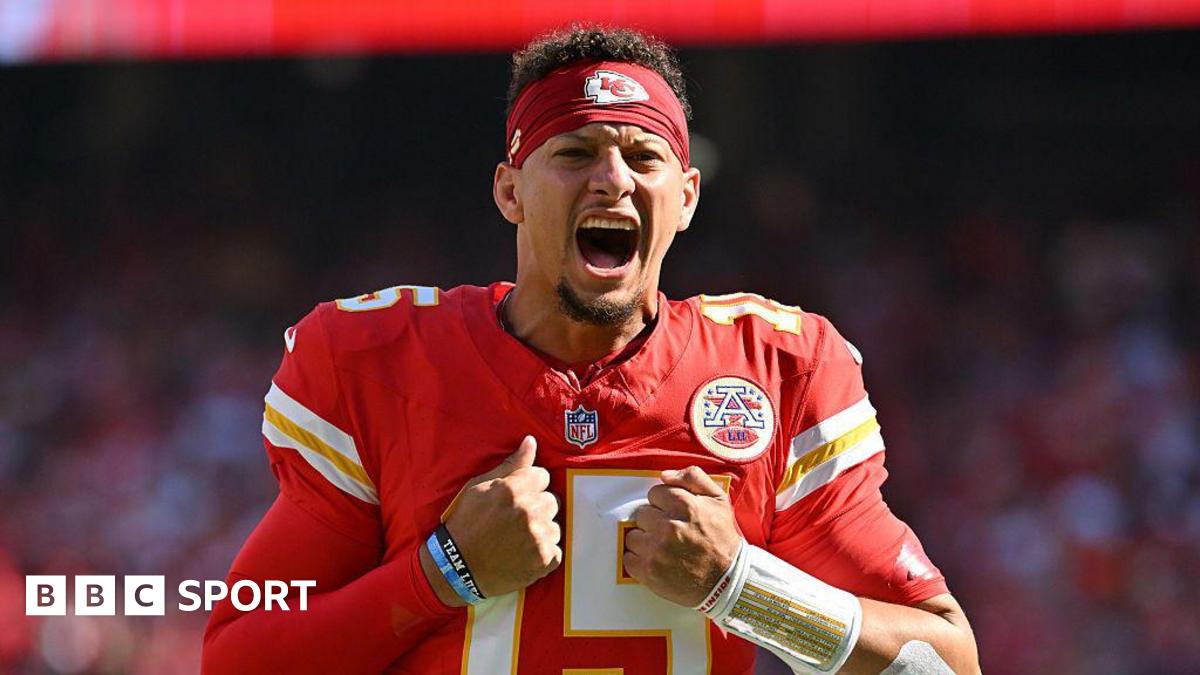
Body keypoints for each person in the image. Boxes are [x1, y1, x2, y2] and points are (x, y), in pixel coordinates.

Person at [202, 25, 980, 675]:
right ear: (510, 190)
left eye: (644, 156)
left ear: (686, 198)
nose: (613, 178)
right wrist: (442, 571)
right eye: (574, 152)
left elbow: (944, 663)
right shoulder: (380, 362)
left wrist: (744, 586)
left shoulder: (779, 370)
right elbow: (239, 658)